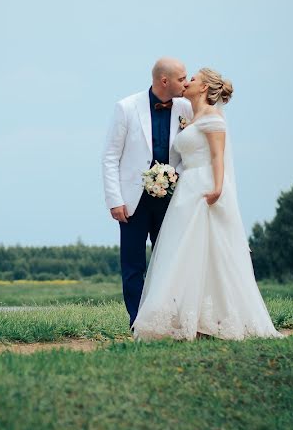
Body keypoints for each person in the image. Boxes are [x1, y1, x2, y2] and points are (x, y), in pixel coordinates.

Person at [132, 68, 283, 341]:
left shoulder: (213, 117)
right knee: (184, 251)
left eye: (193, 79)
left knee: (211, 250)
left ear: (203, 88)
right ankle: (187, 318)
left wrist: (217, 187)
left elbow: (217, 156)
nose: (187, 82)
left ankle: (215, 320)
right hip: (187, 189)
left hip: (203, 187)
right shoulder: (193, 117)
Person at [102, 57, 193, 328]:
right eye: (181, 78)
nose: (186, 83)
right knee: (133, 266)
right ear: (164, 81)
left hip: (172, 199)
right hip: (133, 201)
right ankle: (137, 322)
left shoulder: (187, 108)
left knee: (169, 263)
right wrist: (114, 200)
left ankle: (166, 319)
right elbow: (110, 157)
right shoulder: (126, 107)